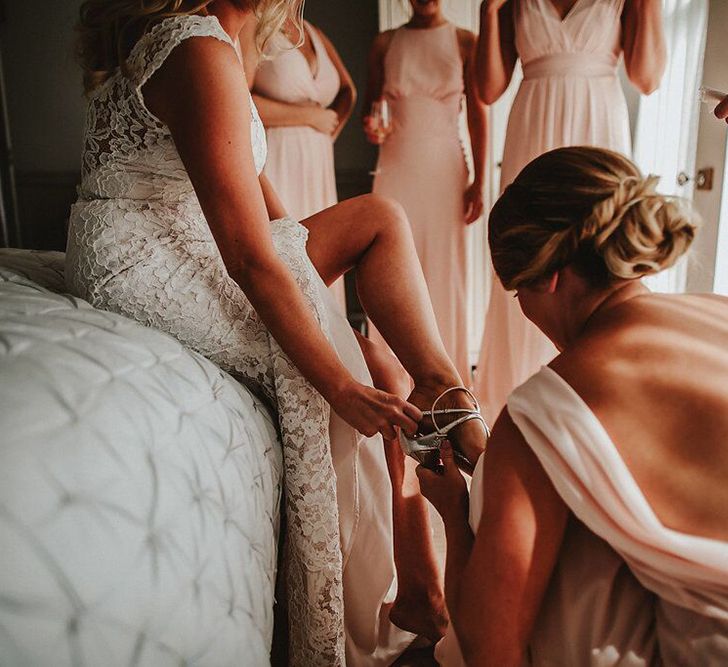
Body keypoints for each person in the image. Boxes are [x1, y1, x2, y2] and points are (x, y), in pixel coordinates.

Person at [67, 1, 487, 663]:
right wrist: (335, 382)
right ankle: (421, 590)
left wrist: (309, 257)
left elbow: (254, 188)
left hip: (189, 237)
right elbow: (247, 260)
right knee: (367, 369)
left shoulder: (227, 41)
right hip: (147, 260)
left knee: (377, 239)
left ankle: (442, 390)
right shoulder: (193, 47)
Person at [419, 146, 728, 666]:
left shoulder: (545, 409)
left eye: (518, 291)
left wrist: (455, 512)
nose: (523, 309)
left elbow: (490, 650)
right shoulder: (718, 312)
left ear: (548, 277)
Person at [472, 0, 666, 423]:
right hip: (532, 125)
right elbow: (487, 90)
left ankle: (604, 405)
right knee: (531, 258)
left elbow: (647, 78)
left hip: (597, 119)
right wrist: (489, 12)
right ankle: (515, 409)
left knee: (603, 259)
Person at [364, 0, 488, 385]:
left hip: (445, 171)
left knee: (444, 268)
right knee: (391, 263)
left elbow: (478, 115)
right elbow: (372, 109)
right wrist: (372, 128)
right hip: (395, 167)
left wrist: (479, 181)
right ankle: (390, 377)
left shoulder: (465, 41)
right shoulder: (385, 43)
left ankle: (447, 378)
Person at [252, 15, 356, 309]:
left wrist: (329, 131)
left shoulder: (313, 31)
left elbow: (349, 90)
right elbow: (238, 95)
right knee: (285, 254)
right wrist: (310, 117)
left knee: (321, 259)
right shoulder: (254, 24)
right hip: (277, 156)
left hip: (316, 161)